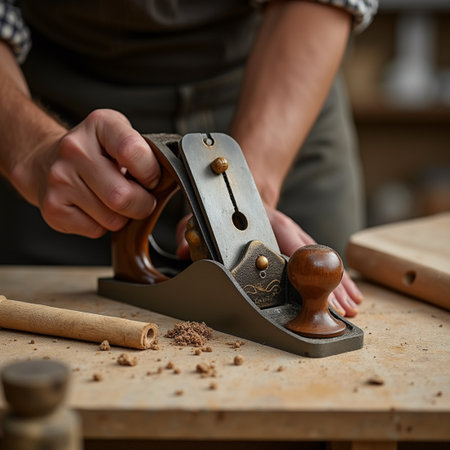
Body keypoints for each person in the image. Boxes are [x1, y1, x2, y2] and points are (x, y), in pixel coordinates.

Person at [0, 0, 377, 316]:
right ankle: (137, 266)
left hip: (281, 89)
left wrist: (249, 195)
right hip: (63, 103)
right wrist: (32, 149)